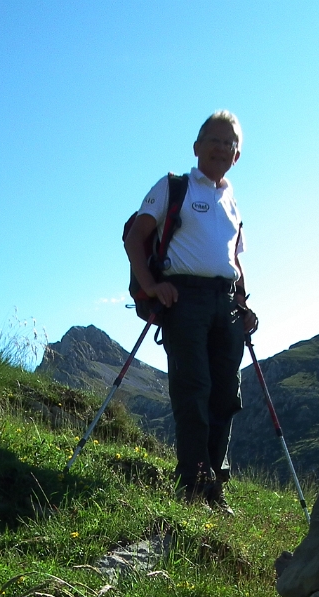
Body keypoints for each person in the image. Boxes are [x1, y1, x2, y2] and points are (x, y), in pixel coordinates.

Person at [123, 110, 258, 514]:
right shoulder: (174, 187)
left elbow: (235, 259)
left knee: (225, 396)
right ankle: (195, 485)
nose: (221, 148)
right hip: (184, 301)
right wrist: (151, 287)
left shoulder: (231, 202)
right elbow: (135, 238)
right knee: (194, 389)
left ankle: (214, 484)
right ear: (197, 147)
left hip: (225, 304)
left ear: (237, 155)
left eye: (229, 143)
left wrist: (244, 303)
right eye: (213, 140)